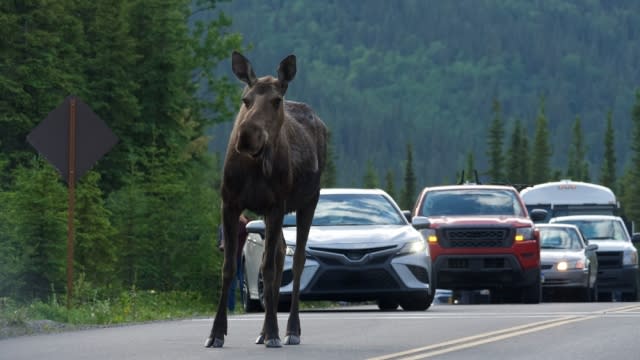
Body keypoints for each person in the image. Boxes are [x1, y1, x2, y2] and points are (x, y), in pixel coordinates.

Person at [218, 214, 249, 312]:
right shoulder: (226, 223)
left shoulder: (245, 222)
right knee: (231, 282)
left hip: (244, 256)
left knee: (243, 281)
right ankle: (231, 308)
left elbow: (252, 230)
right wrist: (223, 243)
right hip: (232, 256)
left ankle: (246, 306)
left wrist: (244, 220)